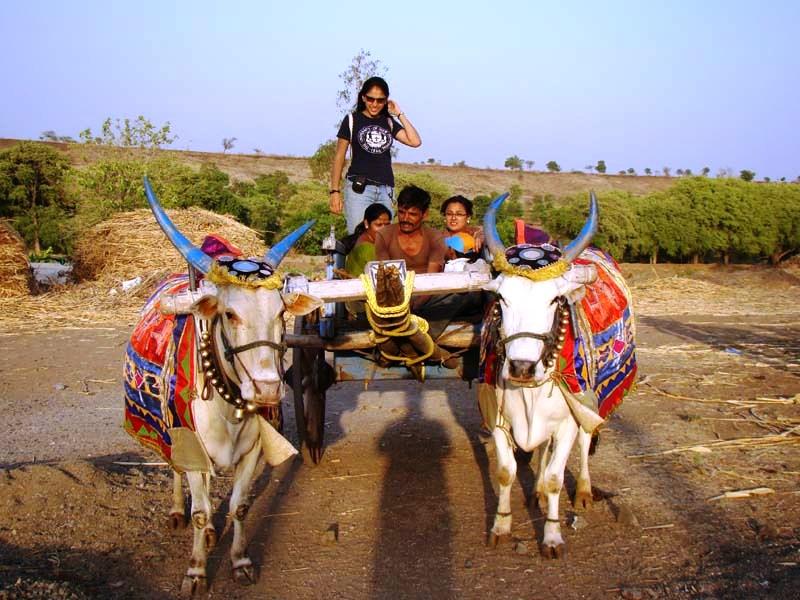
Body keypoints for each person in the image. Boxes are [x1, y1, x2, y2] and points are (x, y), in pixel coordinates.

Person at [329, 76, 422, 232]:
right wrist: (334, 191)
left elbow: (415, 141)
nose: (374, 104)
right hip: (359, 189)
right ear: (363, 97)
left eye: (380, 100)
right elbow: (339, 157)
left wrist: (399, 114)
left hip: (386, 190)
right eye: (370, 99)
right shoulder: (352, 120)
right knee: (359, 237)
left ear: (386, 101)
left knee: (384, 240)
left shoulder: (388, 122)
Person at [375, 185, 446, 275]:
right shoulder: (384, 235)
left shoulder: (435, 238)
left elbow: (431, 276)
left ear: (425, 214)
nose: (405, 218)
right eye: (401, 212)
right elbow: (385, 274)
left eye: (413, 214)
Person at [343, 203, 392, 277]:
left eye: (387, 225)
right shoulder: (367, 248)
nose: (384, 230)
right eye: (378, 225)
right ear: (366, 224)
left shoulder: (364, 239)